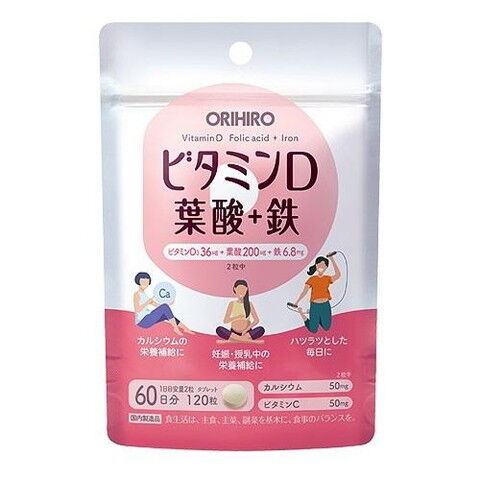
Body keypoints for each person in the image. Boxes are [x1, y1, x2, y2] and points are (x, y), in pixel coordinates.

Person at [292, 253, 341, 332]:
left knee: (326, 328)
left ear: (326, 267)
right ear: (316, 265)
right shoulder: (312, 279)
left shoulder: (327, 278)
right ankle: (301, 313)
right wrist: (297, 302)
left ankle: (317, 319)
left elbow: (338, 275)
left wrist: (332, 259)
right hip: (315, 306)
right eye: (319, 265)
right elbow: (304, 292)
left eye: (323, 265)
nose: (321, 267)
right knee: (313, 330)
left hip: (325, 305)